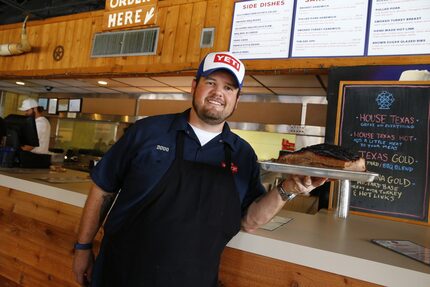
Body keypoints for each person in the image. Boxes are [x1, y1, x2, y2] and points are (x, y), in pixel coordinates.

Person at [72, 51, 327, 287]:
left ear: (236, 101)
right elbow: (102, 189)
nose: (219, 92)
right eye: (211, 82)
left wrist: (288, 188)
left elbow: (250, 220)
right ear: (194, 87)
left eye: (228, 88)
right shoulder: (148, 132)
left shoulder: (243, 154)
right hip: (121, 274)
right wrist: (83, 247)